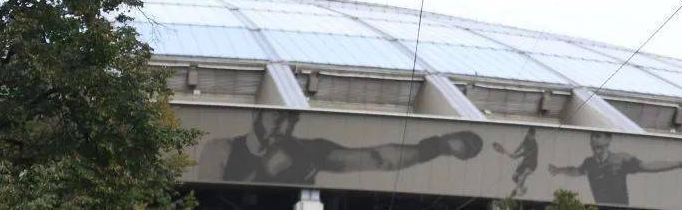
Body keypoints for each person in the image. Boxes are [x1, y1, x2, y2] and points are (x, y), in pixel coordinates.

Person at [198, 110, 483, 184]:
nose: (282, 128)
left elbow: (376, 159)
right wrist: (262, 172)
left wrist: (437, 147)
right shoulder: (221, 150)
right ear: (257, 114)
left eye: (290, 122)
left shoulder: (308, 151)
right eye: (277, 118)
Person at [548, 131, 682, 206]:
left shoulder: (621, 159)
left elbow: (648, 166)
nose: (595, 148)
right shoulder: (589, 162)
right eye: (593, 144)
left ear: (608, 141)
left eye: (599, 143)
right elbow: (576, 171)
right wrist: (558, 170)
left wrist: (679, 163)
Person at [493, 127, 538, 197]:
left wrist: (516, 155)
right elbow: (521, 146)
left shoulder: (534, 145)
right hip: (525, 161)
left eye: (531, 135)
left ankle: (515, 191)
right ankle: (523, 188)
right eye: (528, 134)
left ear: (533, 135)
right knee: (514, 177)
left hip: (532, 164)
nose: (529, 136)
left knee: (524, 174)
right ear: (528, 133)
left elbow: (525, 153)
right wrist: (514, 152)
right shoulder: (526, 138)